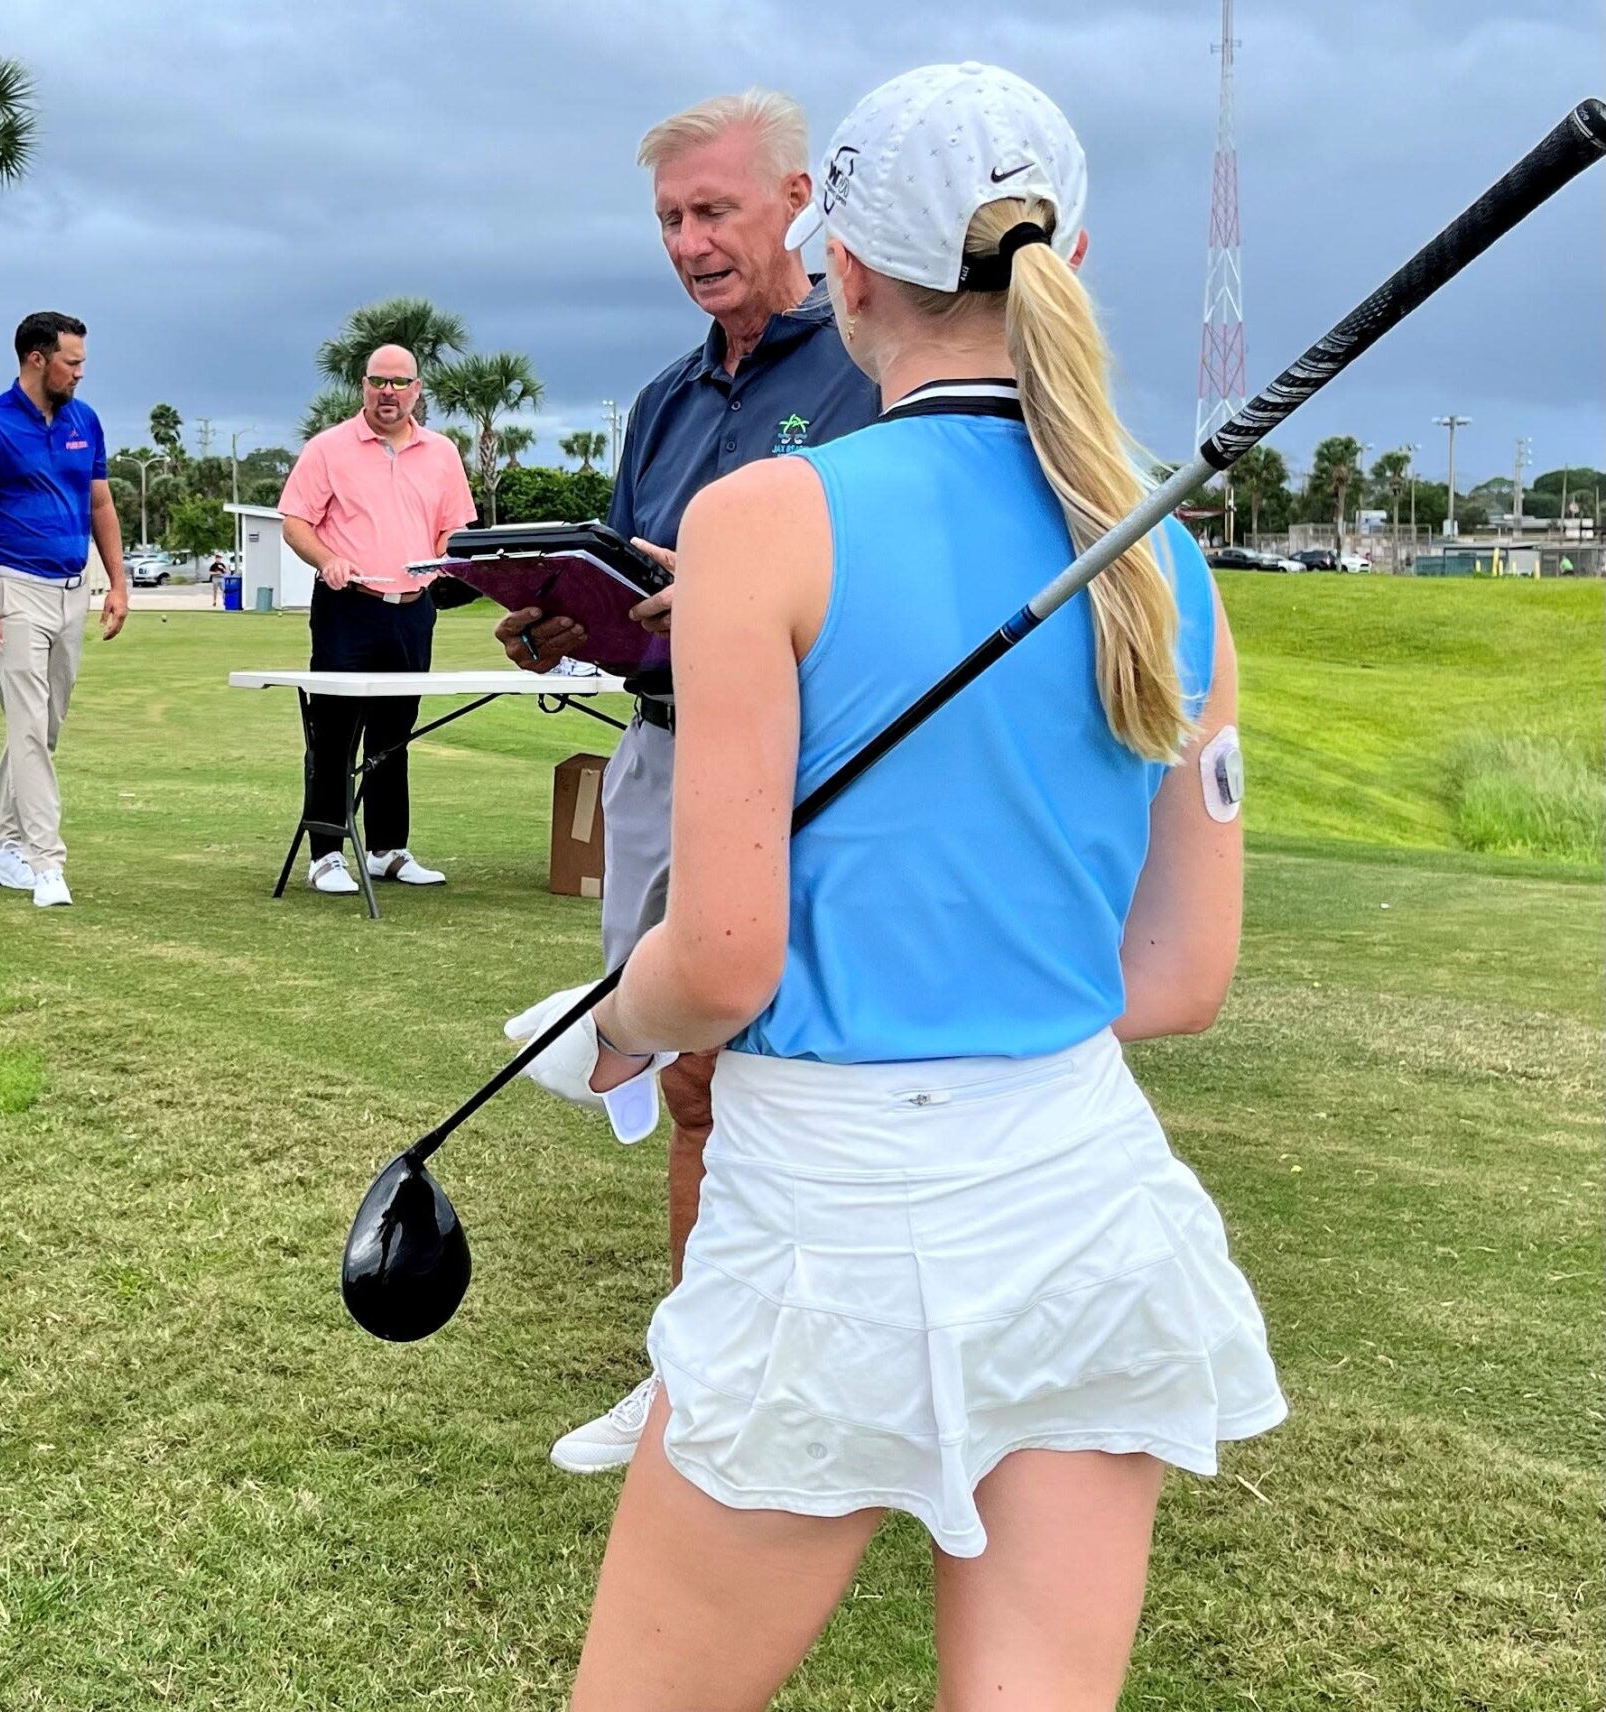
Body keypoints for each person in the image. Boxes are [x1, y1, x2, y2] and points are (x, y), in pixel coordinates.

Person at [563, 64, 1285, 1709]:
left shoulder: (764, 519)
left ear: (847, 267)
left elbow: (725, 959)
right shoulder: (1159, 550)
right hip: (1084, 1197)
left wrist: (605, 1026)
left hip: (829, 1214)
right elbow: (1179, 977)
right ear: (1072, 257)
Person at [499, 88, 879, 1475]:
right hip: (664, 748)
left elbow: (891, 596)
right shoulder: (663, 402)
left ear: (798, 203)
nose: (689, 242)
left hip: (820, 768)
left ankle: (807, 1386)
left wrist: (725, 600)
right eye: (669, 218)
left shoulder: (866, 371)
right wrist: (565, 616)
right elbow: (632, 574)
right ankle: (699, 1379)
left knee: (817, 1077)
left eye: (713, 209)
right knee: (693, 1081)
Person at [278, 344, 478, 894]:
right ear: (363, 387)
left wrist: (443, 559)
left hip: (413, 611)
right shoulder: (329, 449)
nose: (388, 393)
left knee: (395, 733)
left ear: (417, 390)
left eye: (399, 383)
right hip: (349, 607)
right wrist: (327, 559)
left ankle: (389, 849)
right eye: (377, 383)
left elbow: (451, 529)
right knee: (335, 731)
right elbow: (295, 523)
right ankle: (326, 853)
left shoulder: (441, 453)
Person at [0, 310, 129, 908]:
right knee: (28, 724)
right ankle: (44, 862)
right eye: (71, 361)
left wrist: (119, 583)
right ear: (37, 359)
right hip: (13, 589)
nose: (80, 372)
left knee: (43, 728)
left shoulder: (86, 421)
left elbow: (101, 504)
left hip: (73, 588)